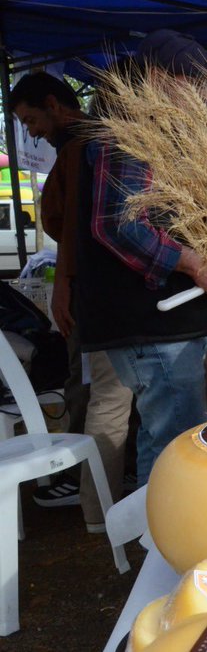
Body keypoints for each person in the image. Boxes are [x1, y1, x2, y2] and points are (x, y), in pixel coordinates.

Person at [74, 29, 207, 485]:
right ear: (159, 77)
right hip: (148, 321)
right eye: (192, 83)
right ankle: (156, 548)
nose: (201, 96)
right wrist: (192, 261)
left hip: (164, 322)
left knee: (169, 437)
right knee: (170, 442)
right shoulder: (129, 136)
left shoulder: (161, 138)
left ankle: (154, 541)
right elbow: (119, 225)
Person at [10, 72, 135, 530]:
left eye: (31, 119)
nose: (32, 131)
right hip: (98, 296)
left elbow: (78, 233)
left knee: (104, 396)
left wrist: (65, 283)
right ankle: (98, 503)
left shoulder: (89, 145)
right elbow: (70, 233)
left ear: (53, 103)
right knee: (101, 394)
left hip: (100, 295)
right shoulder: (82, 148)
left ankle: (98, 507)